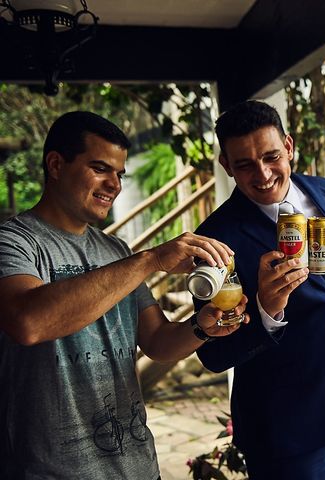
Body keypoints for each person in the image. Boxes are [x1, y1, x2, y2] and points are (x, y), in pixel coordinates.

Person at [0, 111, 248, 479]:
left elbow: (158, 342)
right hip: (51, 471)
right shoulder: (15, 241)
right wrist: (151, 259)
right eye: (100, 168)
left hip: (137, 466)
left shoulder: (116, 250)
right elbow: (28, 322)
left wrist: (201, 326)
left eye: (119, 173)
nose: (113, 184)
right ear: (55, 164)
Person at [194, 100, 325, 479]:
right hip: (284, 426)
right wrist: (267, 310)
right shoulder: (214, 238)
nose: (262, 174)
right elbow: (213, 354)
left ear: (290, 147)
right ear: (226, 166)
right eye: (245, 164)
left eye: (271, 156)